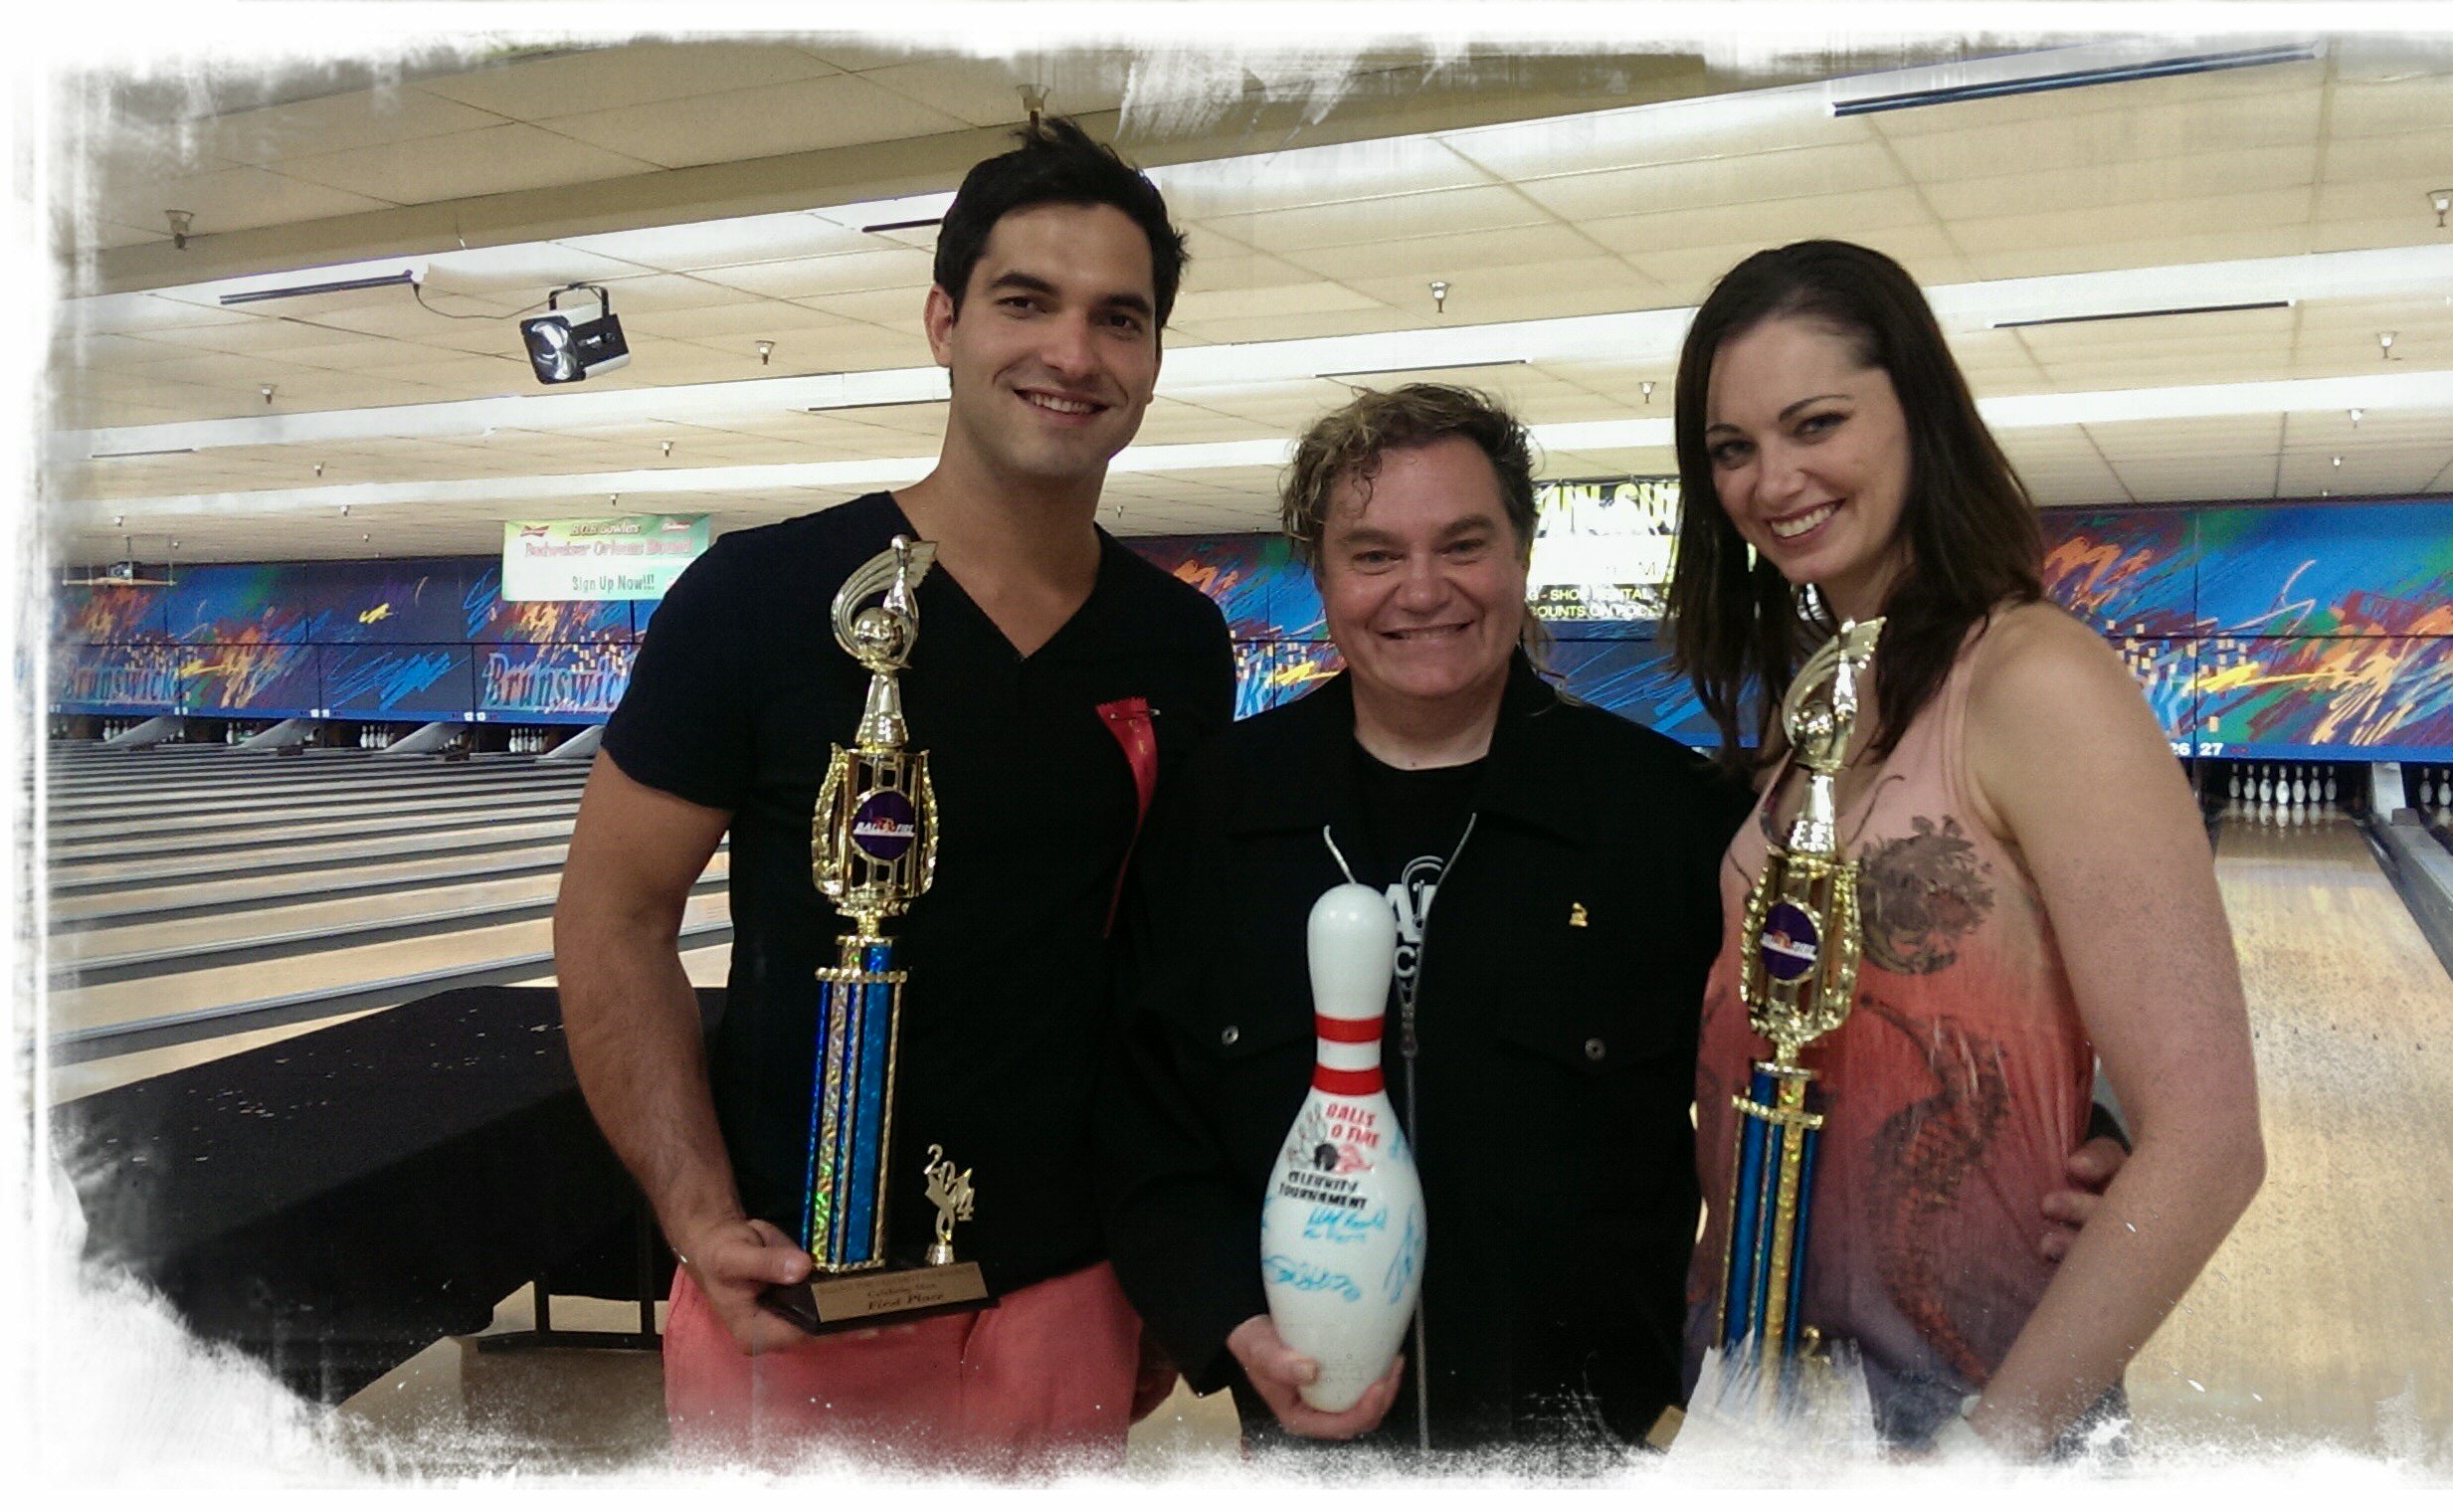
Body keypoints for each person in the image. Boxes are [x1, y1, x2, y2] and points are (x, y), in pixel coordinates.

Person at [1098, 384, 2132, 1463]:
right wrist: (1227, 1316)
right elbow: (1141, 1106)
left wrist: (2079, 1131)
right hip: (1302, 1436)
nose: (1423, 589)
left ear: (1522, 551)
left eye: (1464, 543)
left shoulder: (1668, 820)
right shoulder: (1214, 814)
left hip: (1597, 1446)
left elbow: (1867, 1022)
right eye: (1372, 554)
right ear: (1321, 572)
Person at [553, 117, 1231, 1471]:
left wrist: (1168, 1255)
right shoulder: (757, 601)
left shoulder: (1177, 644)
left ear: (1154, 358)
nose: (1073, 353)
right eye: (1025, 302)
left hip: (1068, 1290)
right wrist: (693, 1217)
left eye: (1121, 318)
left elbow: (1168, 976)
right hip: (795, 1298)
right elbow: (612, 912)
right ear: (943, 318)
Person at [1668, 241, 2266, 1461]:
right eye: (1732, 448)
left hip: (1968, 1427)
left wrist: (1983, 1460)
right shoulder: (1821, 709)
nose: (1772, 479)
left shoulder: (2036, 679)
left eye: (1815, 421)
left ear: (1916, 412)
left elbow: (2208, 1142)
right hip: (1762, 1414)